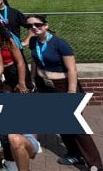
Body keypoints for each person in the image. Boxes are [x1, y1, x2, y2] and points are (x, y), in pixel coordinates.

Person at [27, 14, 102, 169]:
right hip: (45, 86)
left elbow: (72, 69)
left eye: (38, 24)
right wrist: (33, 79)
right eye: (30, 26)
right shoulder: (34, 41)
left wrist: (72, 91)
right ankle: (75, 155)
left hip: (64, 85)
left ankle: (95, 163)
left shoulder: (59, 43)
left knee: (75, 125)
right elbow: (35, 61)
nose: (34, 28)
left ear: (46, 25)